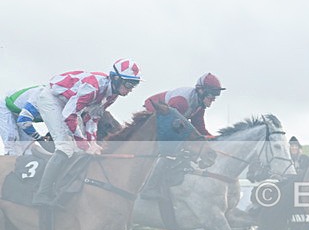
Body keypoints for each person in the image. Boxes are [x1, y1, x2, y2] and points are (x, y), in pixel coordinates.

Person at [32, 59, 141, 206]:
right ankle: (42, 194)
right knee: (66, 147)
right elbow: (69, 115)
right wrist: (85, 144)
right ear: (116, 78)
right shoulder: (93, 87)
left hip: (69, 103)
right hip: (52, 99)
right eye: (129, 84)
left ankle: (64, 188)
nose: (131, 89)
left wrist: (93, 143)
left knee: (81, 149)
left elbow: (92, 118)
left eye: (135, 85)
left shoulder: (112, 95)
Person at [139, 73, 225, 199]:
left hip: (169, 120)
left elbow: (199, 129)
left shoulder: (199, 105)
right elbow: (171, 127)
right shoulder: (181, 101)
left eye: (215, 96)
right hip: (152, 112)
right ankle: (149, 188)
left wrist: (215, 141)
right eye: (212, 96)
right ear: (201, 91)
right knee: (168, 152)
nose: (213, 99)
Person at [1, 85, 48, 155]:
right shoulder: (42, 96)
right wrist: (39, 138)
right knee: (12, 139)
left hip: (21, 110)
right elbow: (23, 121)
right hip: (6, 105)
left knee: (27, 145)